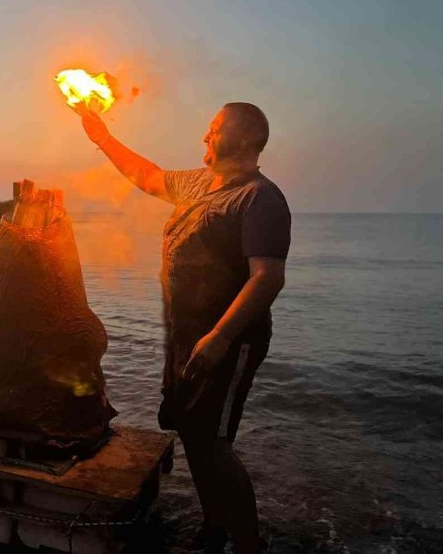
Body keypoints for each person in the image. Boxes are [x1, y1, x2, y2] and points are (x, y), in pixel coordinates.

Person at [75, 101, 290, 553]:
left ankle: (251, 545)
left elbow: (267, 277)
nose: (204, 137)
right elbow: (148, 176)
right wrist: (102, 137)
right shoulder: (197, 183)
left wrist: (221, 337)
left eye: (215, 130)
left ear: (246, 140)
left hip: (229, 341)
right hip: (187, 336)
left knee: (214, 441)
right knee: (192, 432)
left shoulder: (259, 198)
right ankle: (215, 527)